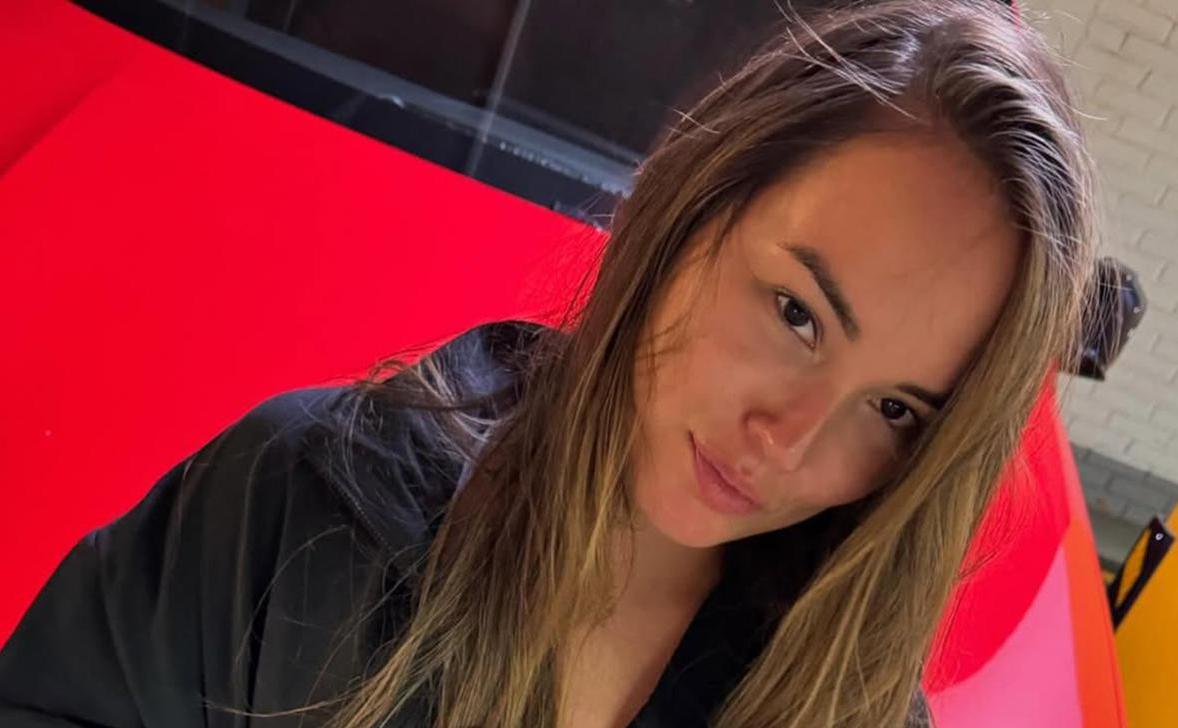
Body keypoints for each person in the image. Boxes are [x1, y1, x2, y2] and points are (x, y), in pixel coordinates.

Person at [0, 1, 1096, 726]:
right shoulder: (303, 508)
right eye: (796, 314)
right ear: (693, 203)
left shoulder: (848, 705)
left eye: (897, 410)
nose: (790, 443)